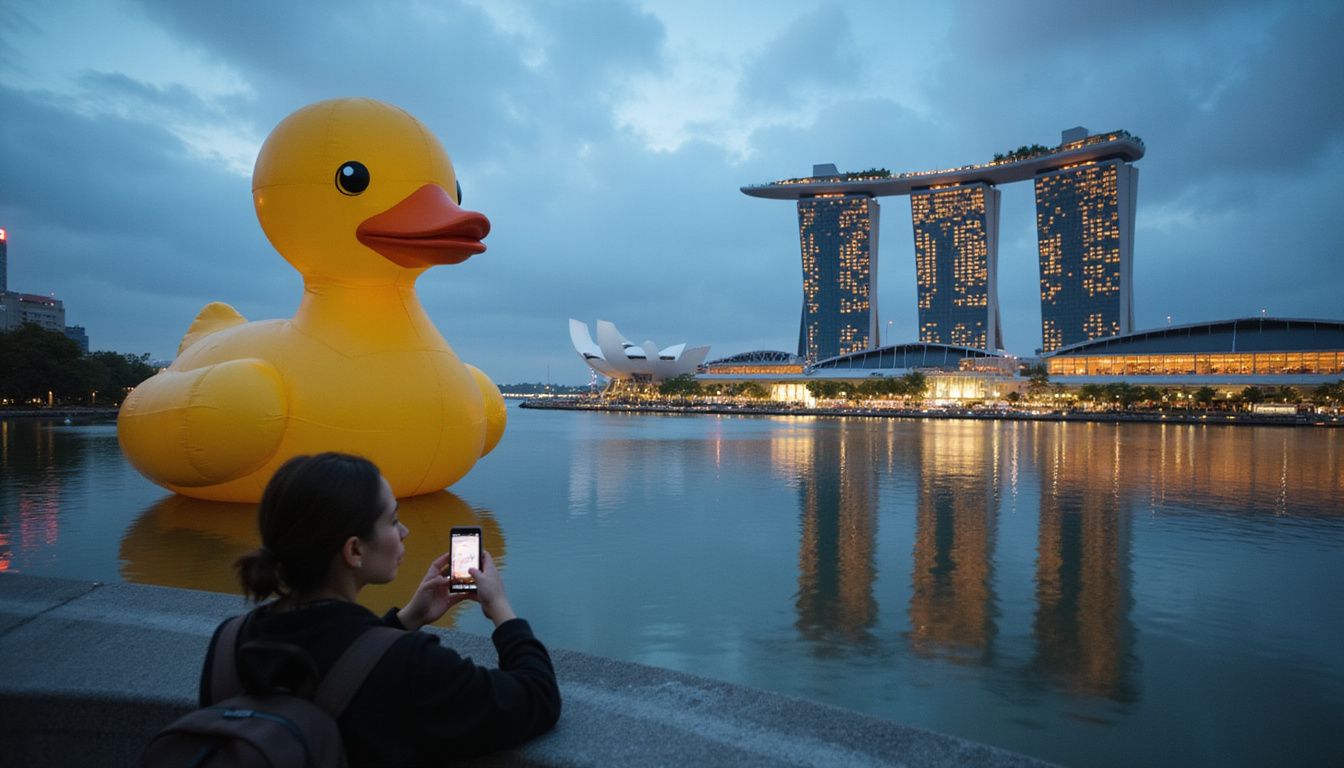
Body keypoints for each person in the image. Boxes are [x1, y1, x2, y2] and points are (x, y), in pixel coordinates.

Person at [200, 452, 561, 764]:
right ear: (354, 550)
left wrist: (408, 619)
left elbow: (334, 658)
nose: (404, 532)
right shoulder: (412, 666)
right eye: (392, 520)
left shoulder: (229, 642)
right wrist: (499, 606)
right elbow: (536, 697)